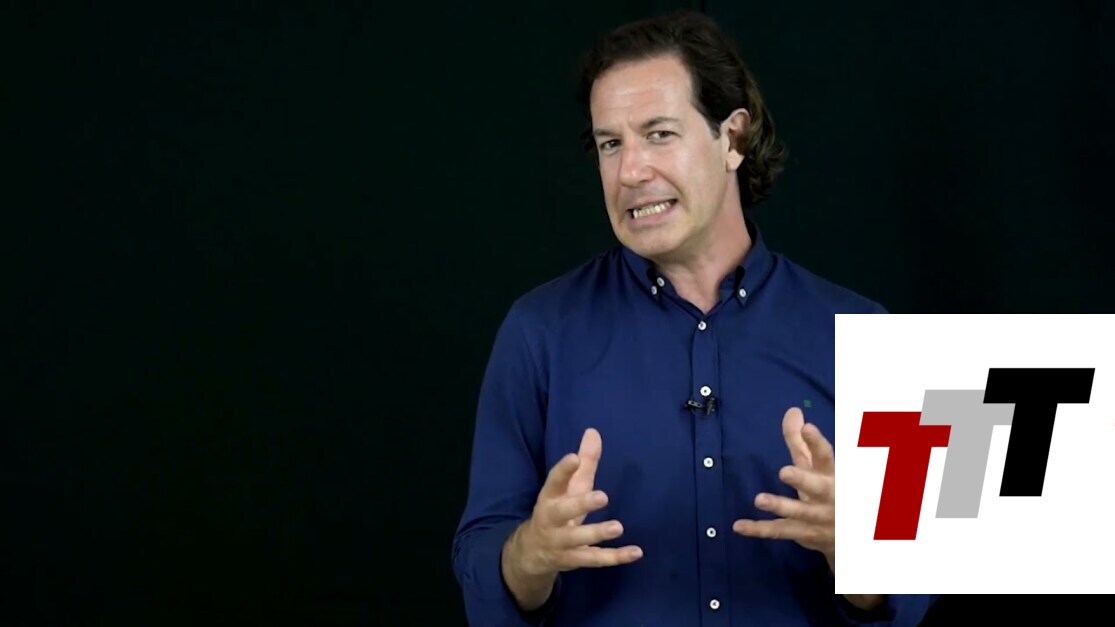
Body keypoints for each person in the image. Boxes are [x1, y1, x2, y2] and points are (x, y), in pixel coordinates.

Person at [451, 9, 938, 626]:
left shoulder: (866, 331)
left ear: (732, 138)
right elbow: (482, 558)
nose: (630, 171)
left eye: (659, 134)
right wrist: (531, 554)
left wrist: (862, 550)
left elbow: (915, 596)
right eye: (610, 144)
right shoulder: (538, 332)